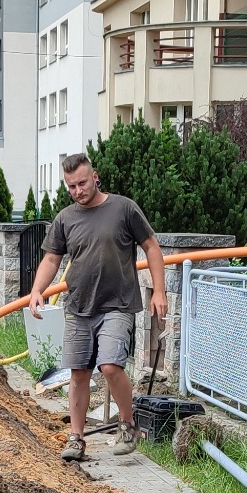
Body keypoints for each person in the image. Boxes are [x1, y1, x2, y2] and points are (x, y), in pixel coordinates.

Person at [27, 152, 167, 462]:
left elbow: (152, 247)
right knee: (78, 374)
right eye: (71, 186)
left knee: (110, 365)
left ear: (94, 176)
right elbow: (52, 258)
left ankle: (127, 425)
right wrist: (38, 290)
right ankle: (76, 439)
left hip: (117, 304)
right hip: (79, 306)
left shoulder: (123, 208)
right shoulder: (65, 218)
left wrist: (159, 291)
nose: (78, 190)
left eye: (82, 182)